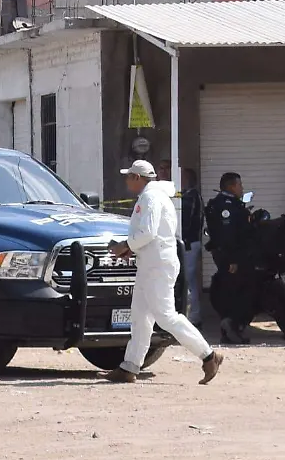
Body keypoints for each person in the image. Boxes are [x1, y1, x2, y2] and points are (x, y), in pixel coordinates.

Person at [105, 160, 222, 384]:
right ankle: (129, 366)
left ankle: (208, 355)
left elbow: (147, 232)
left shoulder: (150, 197)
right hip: (151, 263)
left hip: (156, 266)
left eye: (129, 175)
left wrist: (126, 246)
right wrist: (131, 247)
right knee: (140, 317)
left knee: (166, 316)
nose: (126, 179)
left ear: (138, 178)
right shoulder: (152, 196)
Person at [204, 172, 254, 344]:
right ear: (231, 186)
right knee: (237, 291)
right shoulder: (227, 206)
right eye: (239, 185)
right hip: (230, 255)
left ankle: (228, 328)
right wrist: (233, 259)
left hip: (225, 253)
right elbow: (228, 234)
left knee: (229, 289)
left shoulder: (219, 203)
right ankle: (232, 325)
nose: (242, 188)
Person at [179, 168, 204, 326]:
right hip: (189, 243)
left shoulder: (191, 197)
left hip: (189, 244)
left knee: (188, 280)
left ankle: (193, 316)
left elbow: (185, 222)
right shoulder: (187, 196)